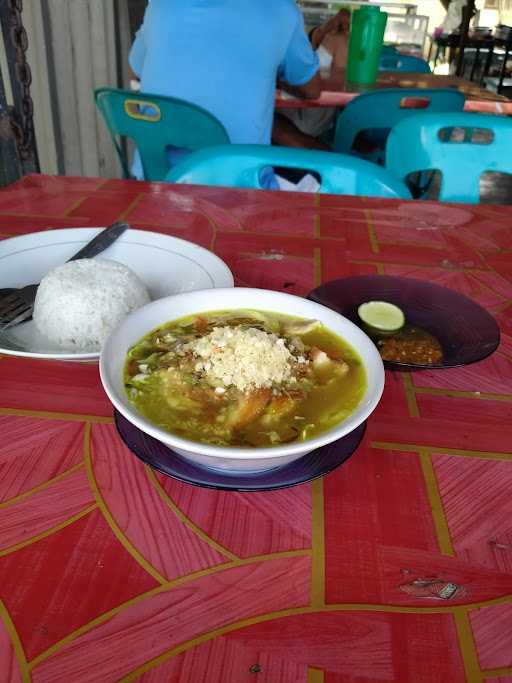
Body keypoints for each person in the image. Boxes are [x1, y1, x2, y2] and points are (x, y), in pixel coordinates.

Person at [129, 0, 322, 184]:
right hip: (239, 188)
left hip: (154, 180)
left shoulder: (162, 4)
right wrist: (270, 71)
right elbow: (312, 89)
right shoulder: (281, 8)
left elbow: (136, 70)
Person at [272, 9, 351, 150]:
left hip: (301, 116)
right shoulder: (285, 13)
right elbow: (312, 91)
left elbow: (308, 42)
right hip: (300, 120)